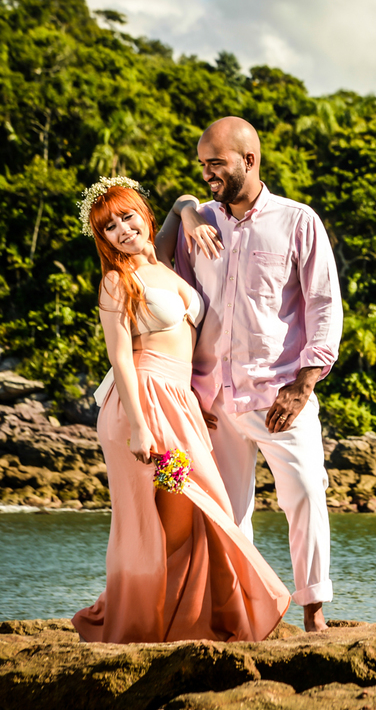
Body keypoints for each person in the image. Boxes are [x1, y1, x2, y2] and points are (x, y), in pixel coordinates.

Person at [71, 177, 290, 644]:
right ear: (103, 239)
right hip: (142, 406)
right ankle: (138, 618)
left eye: (128, 216)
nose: (123, 229)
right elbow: (120, 359)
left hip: (179, 402)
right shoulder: (117, 281)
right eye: (109, 227)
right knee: (163, 519)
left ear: (143, 216)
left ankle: (182, 621)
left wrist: (190, 215)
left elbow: (182, 201)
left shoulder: (165, 261)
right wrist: (142, 428)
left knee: (195, 513)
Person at [165, 117, 343, 632]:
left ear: (249, 160)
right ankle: (240, 614)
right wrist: (184, 209)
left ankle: (314, 615)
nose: (207, 174)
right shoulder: (200, 221)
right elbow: (164, 277)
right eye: (201, 166)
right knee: (226, 511)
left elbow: (324, 306)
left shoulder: (298, 221)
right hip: (214, 398)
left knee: (306, 492)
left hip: (281, 391)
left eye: (215, 163)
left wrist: (304, 384)